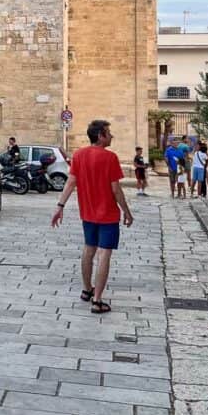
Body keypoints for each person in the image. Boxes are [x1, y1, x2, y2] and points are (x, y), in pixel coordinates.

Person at [51, 119, 134, 315]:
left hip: (87, 213)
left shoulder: (79, 155)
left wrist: (60, 206)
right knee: (104, 254)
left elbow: (71, 182)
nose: (111, 136)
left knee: (89, 250)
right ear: (100, 135)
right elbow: (116, 189)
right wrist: (126, 211)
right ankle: (97, 301)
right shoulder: (110, 158)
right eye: (108, 133)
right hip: (108, 215)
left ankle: (87, 290)